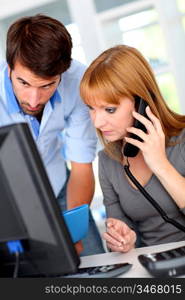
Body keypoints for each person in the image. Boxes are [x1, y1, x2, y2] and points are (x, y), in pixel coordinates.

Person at [0, 14, 105, 256]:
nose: (34, 100)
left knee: (92, 264)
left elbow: (81, 167)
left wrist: (74, 234)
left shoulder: (79, 81)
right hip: (7, 199)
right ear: (9, 67)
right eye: (24, 83)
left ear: (62, 72)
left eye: (47, 85)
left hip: (59, 186)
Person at [80, 44, 185, 253]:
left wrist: (160, 164)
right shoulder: (108, 160)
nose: (97, 122)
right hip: (149, 268)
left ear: (141, 102)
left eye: (109, 109)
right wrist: (122, 240)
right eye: (91, 108)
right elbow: (120, 234)